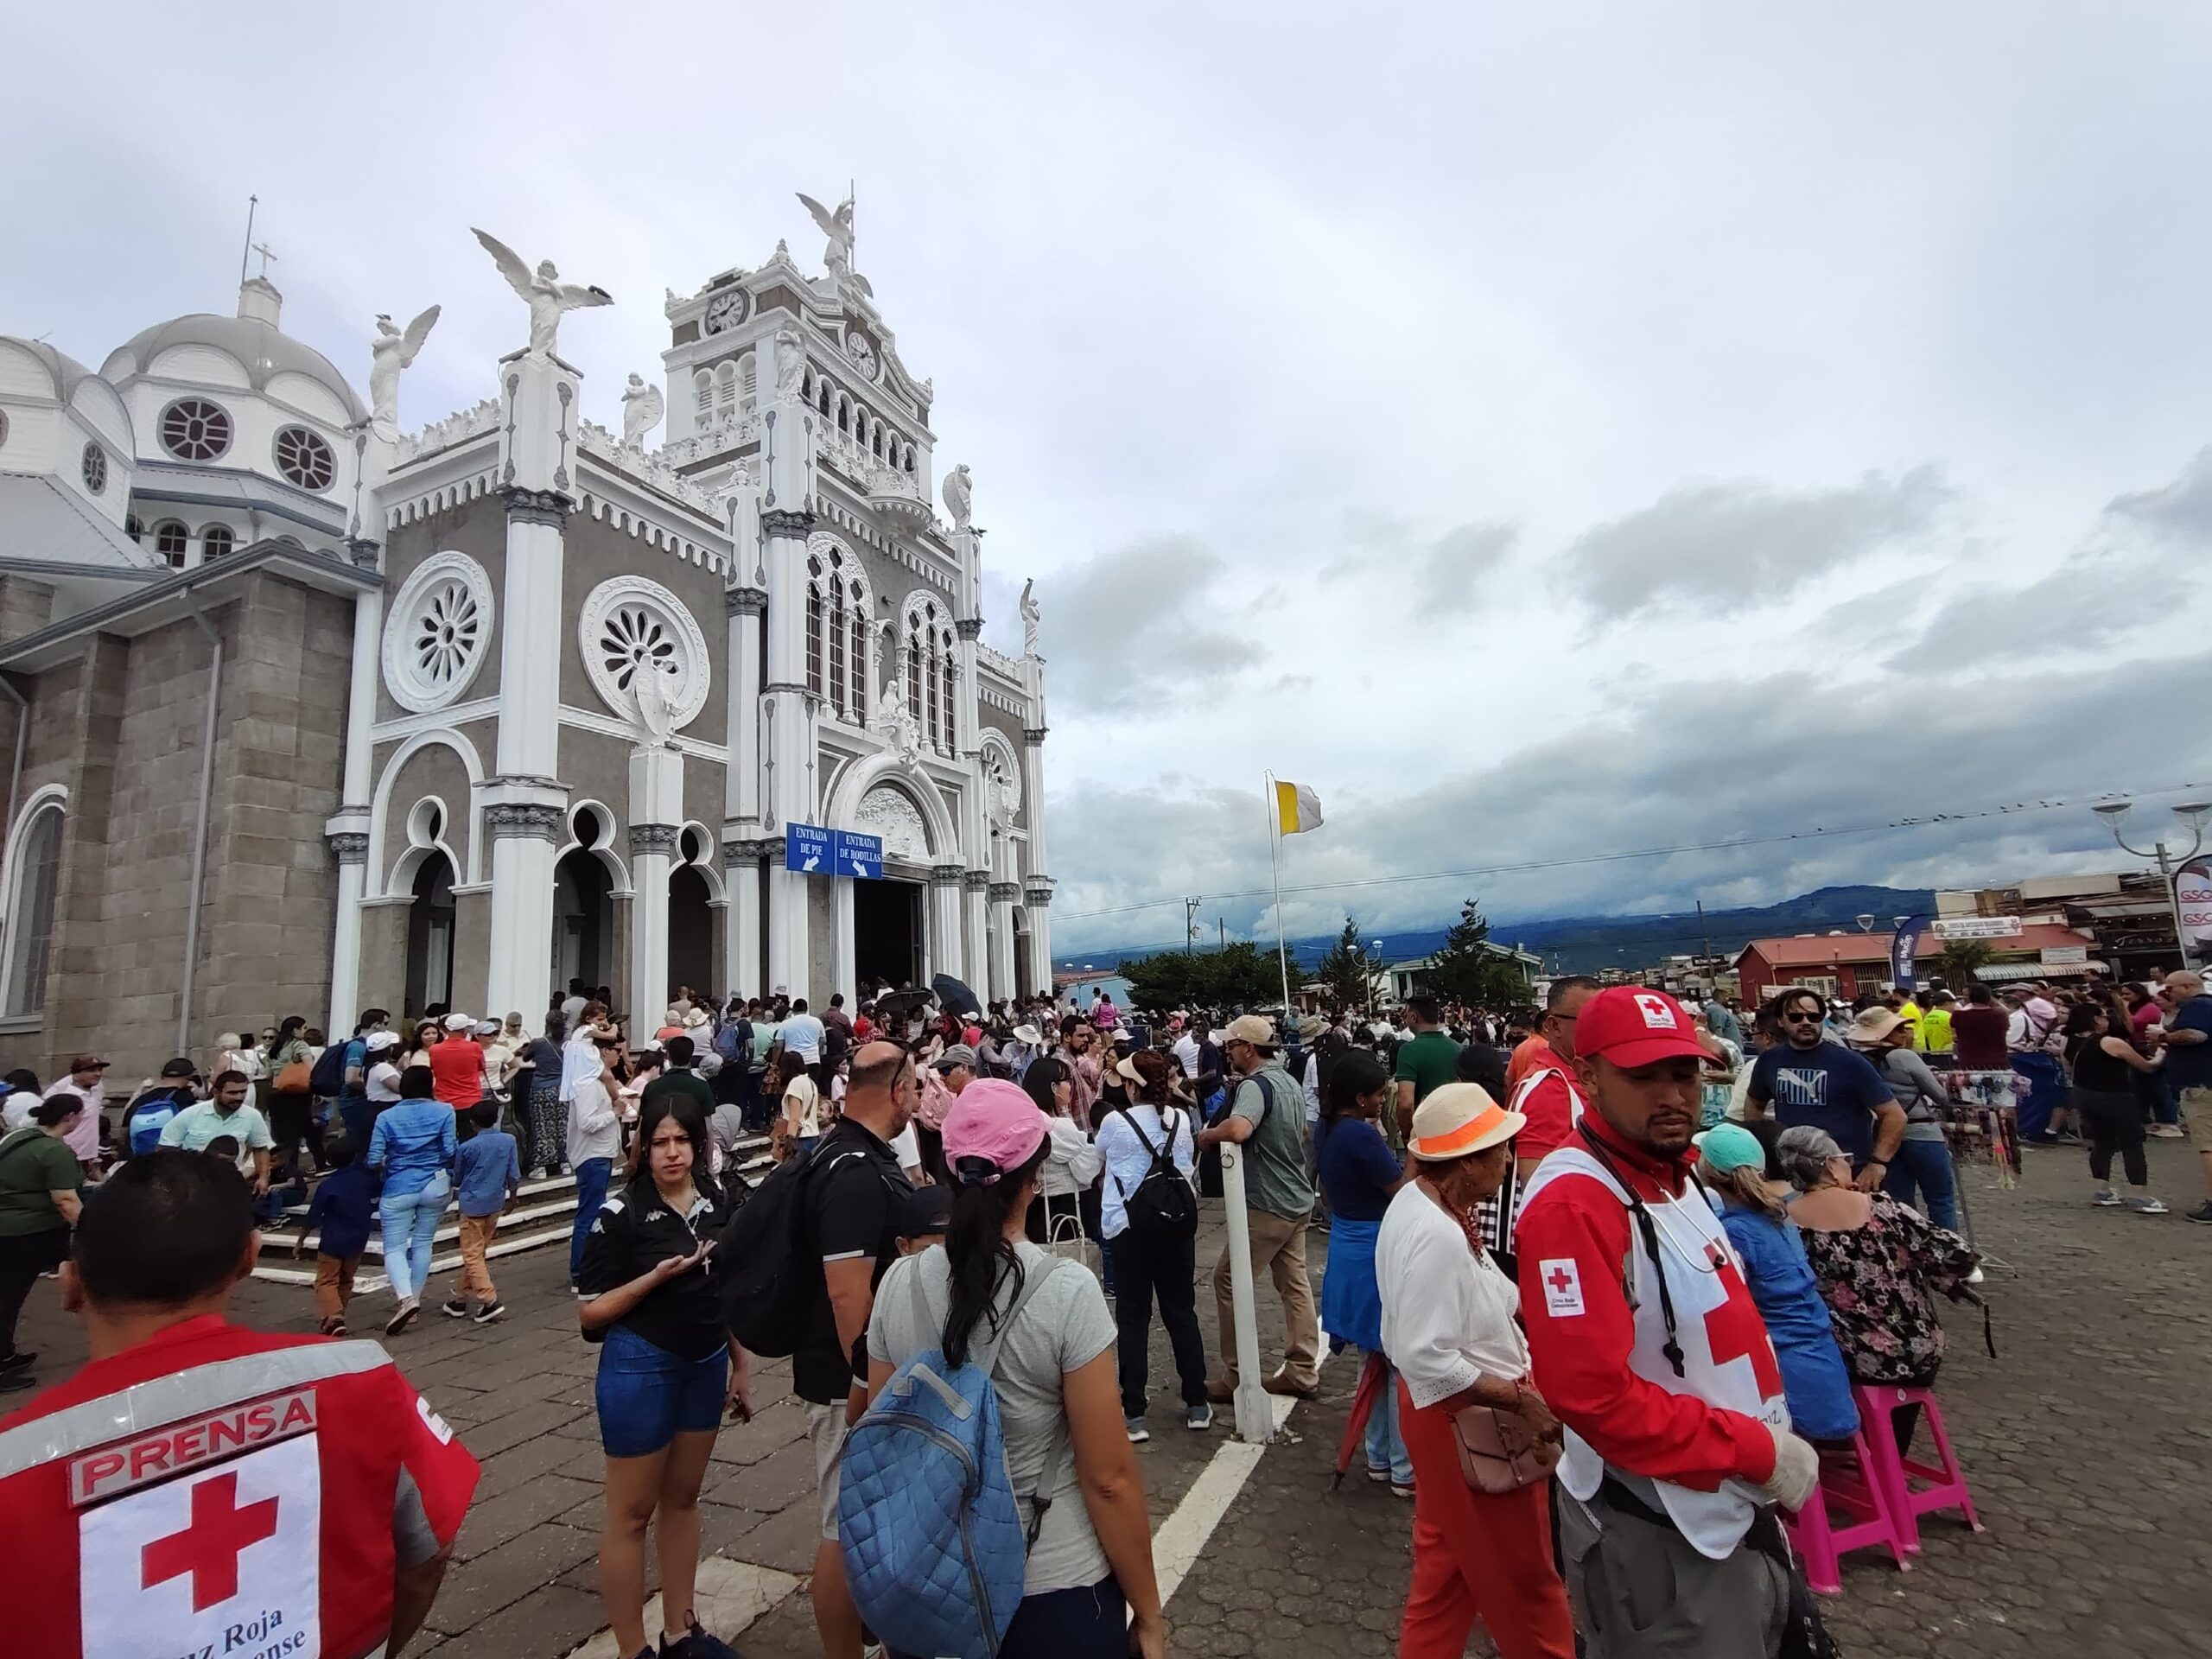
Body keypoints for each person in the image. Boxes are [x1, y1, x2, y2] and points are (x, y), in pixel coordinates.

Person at [0, 1151, 479, 1655]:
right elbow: (428, 1548)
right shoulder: (359, 1379)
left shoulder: (17, 1463)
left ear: (71, 1284)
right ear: (249, 1258)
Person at [1515, 987, 1818, 1659]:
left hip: (1731, 1508)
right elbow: (1589, 1394)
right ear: (1589, 1076)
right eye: (1642, 1076)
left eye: (1682, 1073)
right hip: (1662, 1529)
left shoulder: (1680, 1175)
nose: (1671, 1095)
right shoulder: (1574, 1202)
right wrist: (1756, 1452)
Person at [863, 1078, 1166, 1659]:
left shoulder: (898, 1282)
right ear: (1038, 1174)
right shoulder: (1067, 1292)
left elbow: (889, 1439)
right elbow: (1109, 1479)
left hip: (932, 1583)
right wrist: (1149, 1614)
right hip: (1053, 1583)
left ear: (949, 1170)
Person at [1377, 1083, 1577, 1659]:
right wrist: (1522, 1400)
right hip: (1469, 1420)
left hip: (1443, 1418)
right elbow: (1425, 1354)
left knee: (1449, 1572)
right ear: (1466, 1164)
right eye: (1499, 1151)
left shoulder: (1425, 1202)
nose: (1510, 1160)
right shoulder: (1438, 1231)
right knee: (1527, 1577)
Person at [578, 1093, 748, 1659]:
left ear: (698, 1145)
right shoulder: (620, 1214)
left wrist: (740, 1364)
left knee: (684, 1497)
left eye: (682, 1141)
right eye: (660, 1142)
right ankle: (632, 1649)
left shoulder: (716, 1201)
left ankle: (681, 1628)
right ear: (643, 1148)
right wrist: (654, 1278)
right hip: (641, 1362)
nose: (672, 1153)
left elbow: (722, 1288)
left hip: (704, 1360)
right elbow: (591, 1311)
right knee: (631, 1514)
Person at [796, 1039, 918, 1659]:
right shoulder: (851, 1168)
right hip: (843, 1379)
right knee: (843, 1528)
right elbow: (847, 1293)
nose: (917, 1102)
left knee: (862, 1523)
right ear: (895, 1090)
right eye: (914, 1089)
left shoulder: (860, 1154)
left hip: (856, 1374)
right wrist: (869, 1385)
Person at [1779, 1125, 1979, 1398]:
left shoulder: (1785, 1223)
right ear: (1831, 1166)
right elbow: (1958, 1256)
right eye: (1845, 1160)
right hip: (1914, 1351)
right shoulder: (1883, 1209)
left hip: (1839, 1357)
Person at [1694, 1123, 1858, 1442]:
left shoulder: (1734, 1231)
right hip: (1823, 1361)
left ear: (1708, 1177)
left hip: (1785, 1375)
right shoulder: (1780, 1214)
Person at [1194, 1014, 1320, 1402]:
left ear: (1247, 1049)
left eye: (1231, 1046)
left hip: (1267, 1203)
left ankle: (1238, 1373)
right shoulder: (1287, 1081)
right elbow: (1301, 1131)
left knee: (1228, 1280)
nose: (1227, 1052)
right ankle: (1301, 1368)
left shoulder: (1255, 1085)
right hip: (1296, 1198)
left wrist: (1207, 1136)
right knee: (1294, 1283)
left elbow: (1239, 1129)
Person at [1094, 1047, 1210, 1439]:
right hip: (1178, 1223)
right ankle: (1197, 1401)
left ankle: (1134, 1411)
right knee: (1182, 1312)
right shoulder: (1180, 1117)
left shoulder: (1115, 1121)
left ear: (1132, 1085)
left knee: (1132, 1317)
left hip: (1131, 1227)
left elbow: (1099, 1157)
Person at [1316, 1051, 1413, 1491]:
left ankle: (1378, 1457)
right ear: (1359, 1098)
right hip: (1379, 1245)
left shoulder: (1328, 1128)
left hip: (1346, 1244)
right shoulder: (1362, 1135)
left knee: (1370, 1358)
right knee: (1397, 1362)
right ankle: (1404, 1469)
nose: (1383, 1101)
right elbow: (1401, 1190)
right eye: (1378, 1095)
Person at [1745, 986, 1906, 1185]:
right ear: (1781, 1021)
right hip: (1793, 1174)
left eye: (1814, 1017)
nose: (1806, 1022)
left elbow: (1894, 1115)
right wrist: (1758, 1154)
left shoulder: (1849, 1062)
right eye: (1796, 1017)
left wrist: (1878, 1164)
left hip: (1847, 1173)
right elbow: (1753, 1106)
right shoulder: (1769, 1060)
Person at [1850, 1005, 1963, 1231]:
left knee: (1902, 1203)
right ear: (1884, 1034)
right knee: (1940, 1200)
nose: (1906, 1033)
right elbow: (1940, 1096)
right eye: (1899, 1029)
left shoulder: (1859, 1061)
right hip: (1922, 1134)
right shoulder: (1904, 1056)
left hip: (1885, 1139)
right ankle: (1950, 1253)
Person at [0, 1095, 86, 1394]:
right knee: (7, 1298)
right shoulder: (55, 1152)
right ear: (70, 1117)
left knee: (8, 1296)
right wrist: (93, 1229)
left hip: (7, 1228)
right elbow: (65, 1200)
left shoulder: (18, 1137)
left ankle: (7, 1353)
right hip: (27, 1233)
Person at [366, 1064, 459, 1336]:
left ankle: (406, 1298)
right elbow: (450, 1149)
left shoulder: (386, 1117)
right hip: (436, 1183)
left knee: (393, 1247)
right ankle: (414, 1299)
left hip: (398, 1186)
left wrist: (390, 1160)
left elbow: (373, 1159)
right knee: (423, 1242)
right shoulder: (445, 1110)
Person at [2062, 1003, 2168, 1213]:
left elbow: (2069, 1067)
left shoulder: (2074, 1042)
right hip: (2115, 1096)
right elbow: (2145, 1066)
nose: (2107, 1019)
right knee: (2132, 1143)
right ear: (2095, 1020)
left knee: (2102, 1143)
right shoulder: (2110, 1042)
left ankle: (2102, 1190)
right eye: (2104, 1016)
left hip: (2085, 1095)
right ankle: (2140, 1194)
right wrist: (2160, 1056)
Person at [1508, 976, 1599, 1178]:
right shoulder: (1546, 1091)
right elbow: (1538, 1186)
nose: (1603, 1028)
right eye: (1590, 1019)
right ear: (1554, 1026)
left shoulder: (1586, 1075)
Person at [442, 1099, 522, 1323]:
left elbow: (457, 1177)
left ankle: (489, 1299)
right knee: (477, 1252)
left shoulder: (467, 1147)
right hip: (495, 1201)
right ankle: (459, 1299)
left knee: (472, 1253)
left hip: (472, 1204)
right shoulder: (508, 1140)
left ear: (473, 1123)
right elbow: (513, 1173)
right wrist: (513, 1196)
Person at [296, 1137, 378, 1336]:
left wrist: (301, 1240)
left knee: (326, 1280)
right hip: (359, 1237)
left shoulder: (328, 1186)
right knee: (347, 1278)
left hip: (333, 1239)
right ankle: (338, 1313)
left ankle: (333, 1317)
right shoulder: (368, 1180)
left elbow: (313, 1215)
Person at [2150, 969, 2212, 1223]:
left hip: (2202, 1087)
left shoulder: (2198, 1006)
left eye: (2170, 989)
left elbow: (2196, 1035)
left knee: (2208, 1146)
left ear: (2187, 987)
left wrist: (2164, 1036)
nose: (2168, 994)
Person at [569, 1029, 627, 1289]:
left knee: (594, 1211)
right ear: (603, 1052)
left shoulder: (599, 1082)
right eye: (616, 1051)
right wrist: (614, 1112)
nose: (620, 1055)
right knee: (589, 1214)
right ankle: (580, 1272)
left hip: (600, 1153)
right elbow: (587, 1123)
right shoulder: (587, 1085)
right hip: (592, 1155)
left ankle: (588, 1267)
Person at [158, 1070, 273, 1196]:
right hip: (192, 1184)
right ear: (216, 1092)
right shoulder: (190, 1114)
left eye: (243, 1092)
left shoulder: (252, 1116)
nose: (239, 1097)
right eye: (232, 1093)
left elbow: (261, 1148)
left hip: (231, 1182)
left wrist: (263, 1178)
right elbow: (166, 1148)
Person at [1389, 995, 1462, 1141]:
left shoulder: (1409, 1050)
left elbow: (1405, 1102)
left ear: (1414, 1017)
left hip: (1426, 1135)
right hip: (1456, 1129)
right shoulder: (1458, 1048)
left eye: (1406, 1014)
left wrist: (1407, 1135)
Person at [264, 1016, 321, 1177]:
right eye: (303, 1028)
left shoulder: (275, 1047)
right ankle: (295, 1169)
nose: (304, 1031)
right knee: (296, 1133)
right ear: (295, 1030)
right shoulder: (299, 1045)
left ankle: (282, 1167)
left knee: (280, 1134)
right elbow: (311, 1068)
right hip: (296, 1094)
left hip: (275, 1093)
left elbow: (269, 1072)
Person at [41, 1053, 110, 1172]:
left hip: (86, 1159)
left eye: (99, 1070)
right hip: (69, 1157)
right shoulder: (68, 1098)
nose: (98, 1074)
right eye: (91, 1070)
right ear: (76, 1074)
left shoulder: (93, 1094)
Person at [119, 1058, 200, 1158]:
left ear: (162, 1076)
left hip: (138, 1160)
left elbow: (124, 1131)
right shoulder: (186, 1098)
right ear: (190, 1077)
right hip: (169, 1160)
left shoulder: (143, 1098)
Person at [429, 1011, 485, 1118]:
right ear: (465, 1030)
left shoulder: (434, 1049)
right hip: (470, 1098)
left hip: (443, 1099)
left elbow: (434, 1068)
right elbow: (481, 1067)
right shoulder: (474, 1047)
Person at [775, 1047, 826, 1156]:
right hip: (813, 1134)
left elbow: (794, 1119)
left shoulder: (795, 1084)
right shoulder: (810, 1082)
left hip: (800, 1138)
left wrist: (789, 1144)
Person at [782, 995, 828, 1092]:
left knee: (793, 1089)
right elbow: (823, 1040)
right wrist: (816, 1050)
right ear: (807, 1009)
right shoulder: (817, 1022)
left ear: (793, 1010)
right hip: (812, 1060)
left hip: (792, 1062)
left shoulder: (786, 1023)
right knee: (812, 1088)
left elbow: (778, 1044)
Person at [1917, 988, 1956, 1055]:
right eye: (1954, 1004)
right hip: (1950, 1053)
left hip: (1934, 1053)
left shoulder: (1927, 1017)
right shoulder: (1949, 1017)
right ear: (1947, 1003)